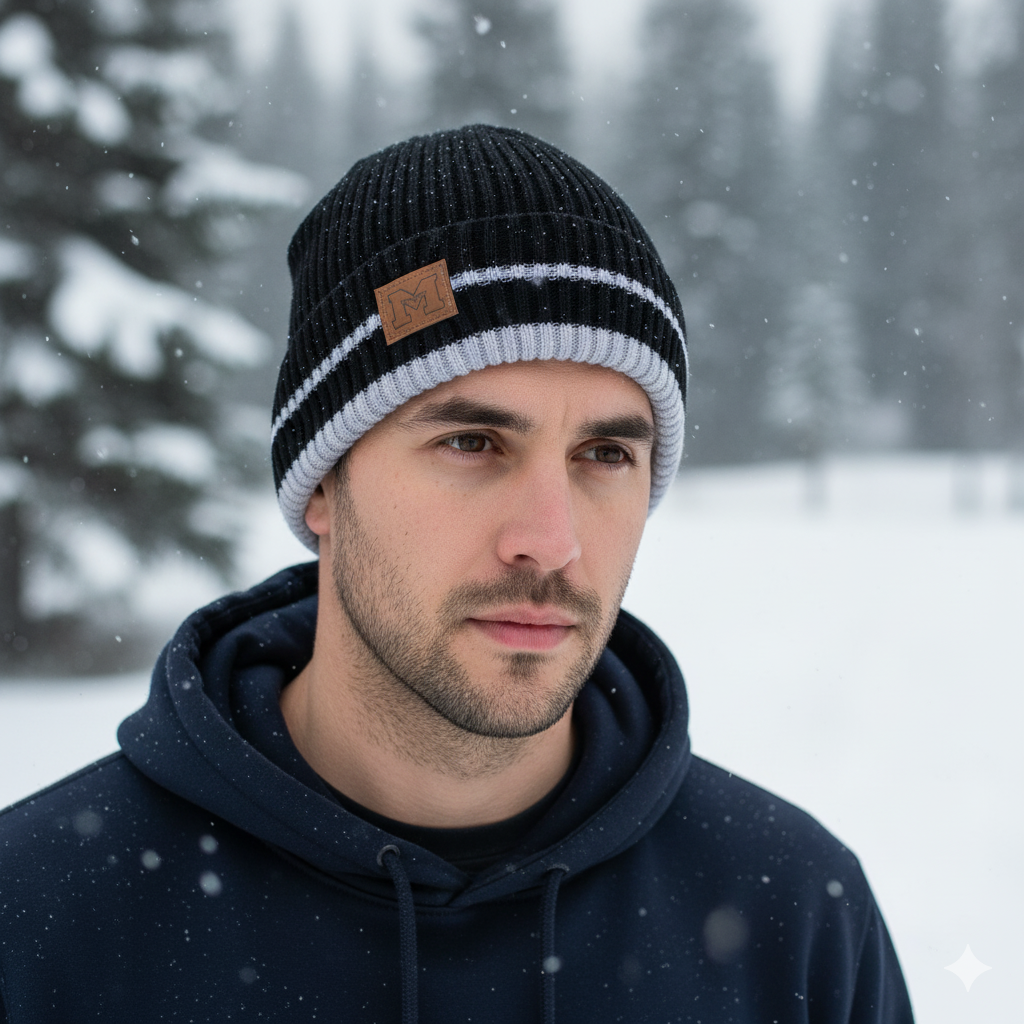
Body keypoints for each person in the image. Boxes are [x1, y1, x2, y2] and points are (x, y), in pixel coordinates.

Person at [0, 124, 914, 1023]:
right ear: (323, 485)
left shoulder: (792, 919)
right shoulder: (42, 916)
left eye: (604, 455)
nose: (549, 541)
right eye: (471, 442)